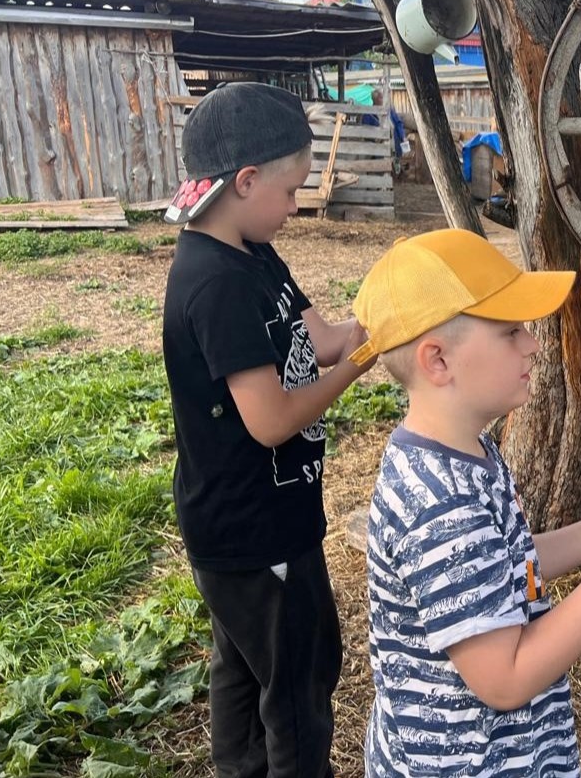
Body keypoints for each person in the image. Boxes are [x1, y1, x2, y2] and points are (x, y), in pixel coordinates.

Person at [347, 228, 581, 777]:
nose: (533, 344)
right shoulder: (441, 506)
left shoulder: (463, 451)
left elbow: (502, 565)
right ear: (438, 361)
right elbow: (506, 679)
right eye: (510, 331)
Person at [162, 82, 377, 778]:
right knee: (298, 682)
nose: (295, 206)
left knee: (243, 667)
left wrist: (377, 325)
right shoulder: (215, 283)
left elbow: (319, 337)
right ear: (246, 181)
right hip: (253, 532)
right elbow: (272, 420)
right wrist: (357, 369)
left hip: (261, 518)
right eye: (290, 191)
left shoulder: (253, 253)